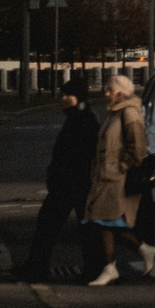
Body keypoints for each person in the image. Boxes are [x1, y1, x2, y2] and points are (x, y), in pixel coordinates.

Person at [21, 80, 101, 282]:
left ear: (79, 98)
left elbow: (78, 154)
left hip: (74, 183)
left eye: (68, 95)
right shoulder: (78, 118)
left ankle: (37, 269)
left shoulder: (83, 120)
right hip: (72, 183)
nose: (63, 98)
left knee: (53, 226)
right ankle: (92, 270)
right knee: (80, 229)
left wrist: (59, 175)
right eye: (62, 94)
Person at [82, 72, 155, 287]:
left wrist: (120, 167)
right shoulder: (114, 112)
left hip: (116, 178)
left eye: (110, 90)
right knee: (105, 221)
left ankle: (115, 265)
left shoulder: (129, 113)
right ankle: (124, 260)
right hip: (105, 176)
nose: (106, 93)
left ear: (120, 93)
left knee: (107, 221)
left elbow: (138, 147)